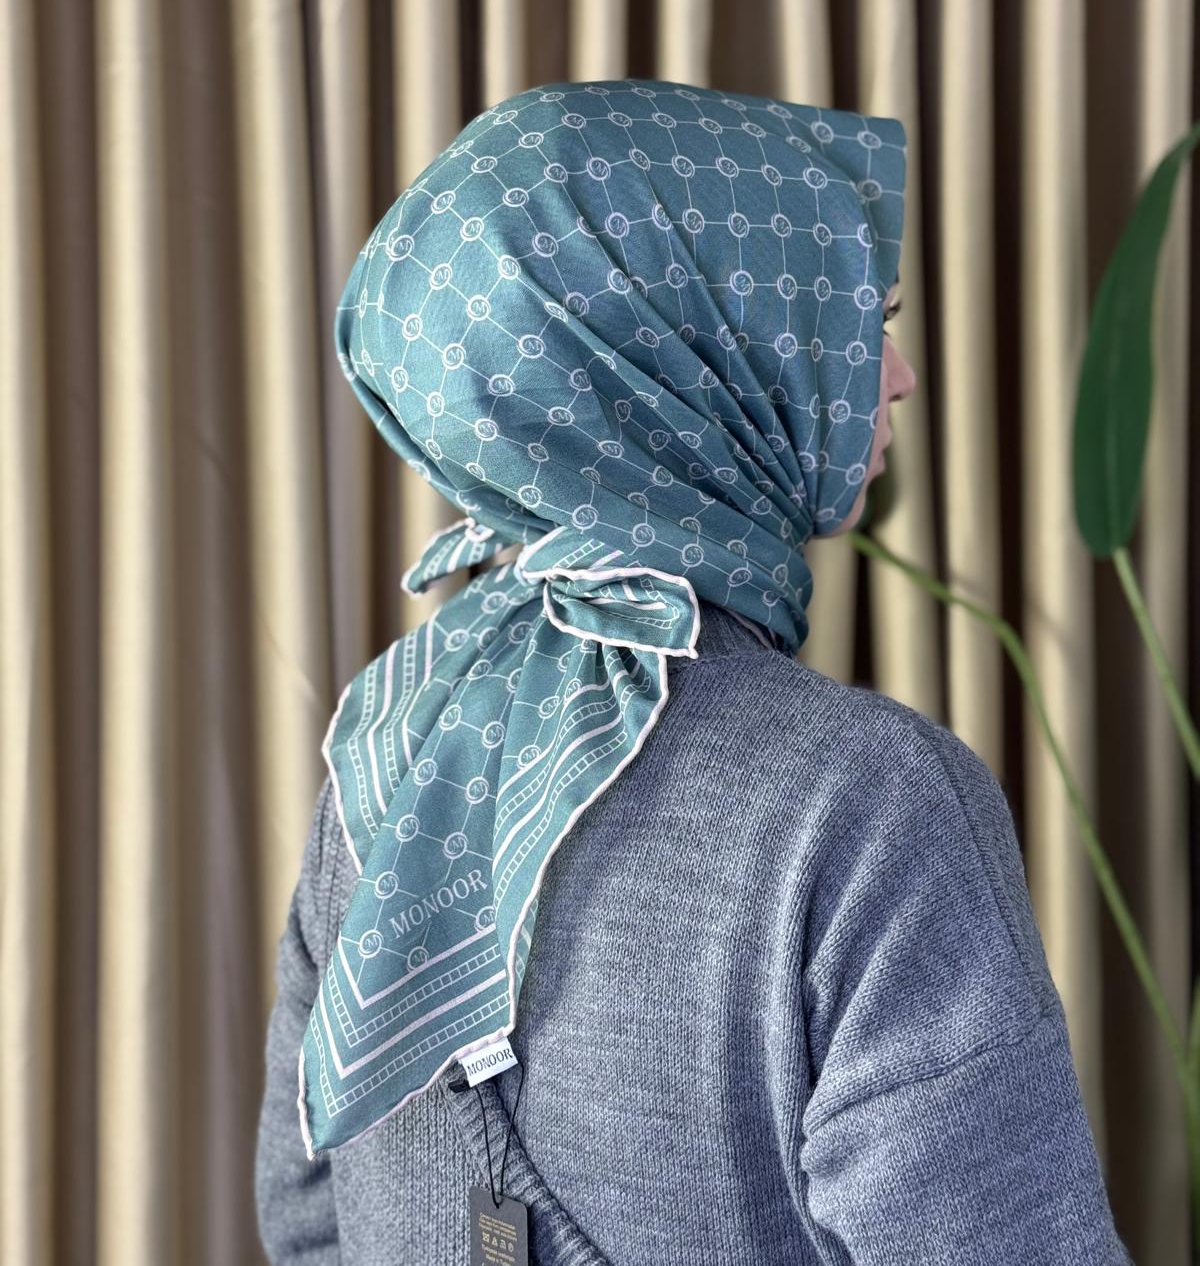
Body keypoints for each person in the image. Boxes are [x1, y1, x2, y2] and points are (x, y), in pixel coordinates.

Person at [255, 78, 1133, 1264]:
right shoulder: (869, 801)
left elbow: (307, 1219)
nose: (899, 374)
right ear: (691, 356)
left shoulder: (387, 750)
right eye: (861, 322)